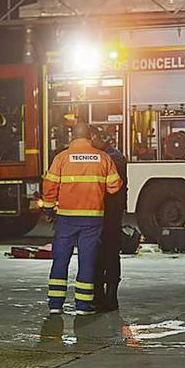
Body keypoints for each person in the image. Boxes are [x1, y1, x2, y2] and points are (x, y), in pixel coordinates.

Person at [41, 122, 122, 315]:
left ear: (73, 136)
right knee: (87, 261)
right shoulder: (103, 158)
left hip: (66, 218)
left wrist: (49, 209)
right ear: (90, 137)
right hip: (92, 219)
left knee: (60, 259)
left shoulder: (61, 158)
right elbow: (114, 186)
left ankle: (55, 304)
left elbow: (49, 186)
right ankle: (84, 306)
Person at [91, 127, 128, 312]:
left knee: (102, 255)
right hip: (111, 213)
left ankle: (101, 297)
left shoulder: (108, 157)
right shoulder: (114, 155)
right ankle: (110, 298)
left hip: (105, 213)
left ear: (94, 137)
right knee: (111, 254)